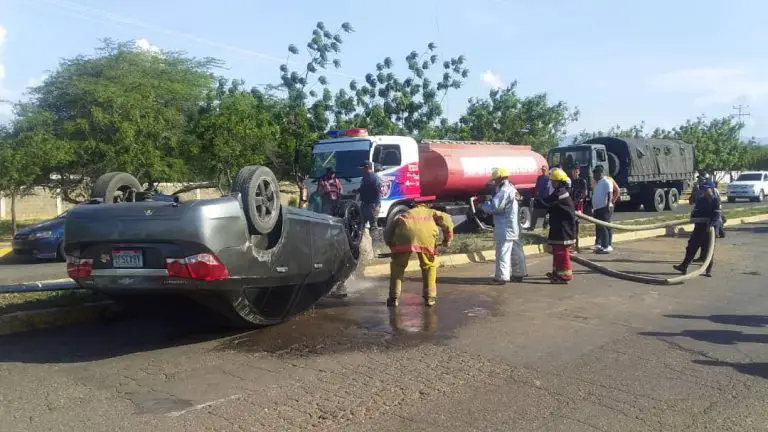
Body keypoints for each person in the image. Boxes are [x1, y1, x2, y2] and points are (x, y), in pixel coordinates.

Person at [383, 203, 454, 307]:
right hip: (426, 238)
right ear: (426, 206)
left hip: (404, 236)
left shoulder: (406, 213)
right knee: (429, 266)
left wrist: (391, 244)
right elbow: (447, 220)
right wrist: (447, 240)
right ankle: (430, 298)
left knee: (398, 266)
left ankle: (394, 298)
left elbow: (389, 229)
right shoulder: (432, 212)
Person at [481, 167, 527, 284]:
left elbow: (495, 208)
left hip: (505, 227)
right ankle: (519, 273)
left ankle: (500, 278)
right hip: (512, 226)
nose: (494, 182)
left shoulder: (504, 191)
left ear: (501, 179)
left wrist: (482, 205)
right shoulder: (511, 188)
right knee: (515, 250)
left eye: (495, 179)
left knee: (502, 252)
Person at [673, 184, 719, 277]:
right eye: (704, 189)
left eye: (707, 189)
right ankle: (684, 266)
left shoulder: (715, 200)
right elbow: (695, 212)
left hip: (710, 229)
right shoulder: (701, 200)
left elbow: (717, 215)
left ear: (711, 190)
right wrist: (694, 218)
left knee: (708, 249)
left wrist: (710, 225)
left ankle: (708, 270)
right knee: (691, 247)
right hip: (699, 228)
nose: (705, 191)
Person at [542, 168, 577, 283]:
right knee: (557, 251)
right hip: (559, 227)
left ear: (559, 182)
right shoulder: (559, 191)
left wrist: (533, 202)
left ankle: (565, 275)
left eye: (554, 181)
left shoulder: (561, 193)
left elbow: (547, 202)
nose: (552, 183)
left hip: (563, 228)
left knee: (562, 252)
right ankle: (557, 273)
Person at [355, 161, 383, 234]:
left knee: (373, 226)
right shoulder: (365, 177)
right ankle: (363, 242)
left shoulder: (374, 177)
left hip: (372, 205)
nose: (361, 170)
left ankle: (374, 243)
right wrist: (358, 190)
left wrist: (376, 205)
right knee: (361, 224)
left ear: (367, 168)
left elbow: (379, 191)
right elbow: (364, 188)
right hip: (364, 204)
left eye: (362, 168)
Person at [591, 165, 614, 254]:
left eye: (595, 174)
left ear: (599, 173)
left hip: (605, 208)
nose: (593, 176)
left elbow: (610, 194)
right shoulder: (598, 182)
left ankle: (607, 246)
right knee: (600, 227)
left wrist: (608, 205)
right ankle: (602, 244)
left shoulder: (606, 181)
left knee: (605, 227)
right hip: (598, 208)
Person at [569, 166, 589, 253]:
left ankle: (576, 246)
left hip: (578, 206)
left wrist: (579, 199)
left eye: (576, 171)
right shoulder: (571, 181)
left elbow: (585, 192)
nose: (574, 173)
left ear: (579, 172)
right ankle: (572, 245)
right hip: (571, 205)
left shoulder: (582, 181)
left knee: (576, 226)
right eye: (573, 171)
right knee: (571, 226)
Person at [528, 165, 551, 231]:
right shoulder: (539, 178)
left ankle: (545, 228)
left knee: (546, 215)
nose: (543, 171)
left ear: (547, 170)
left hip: (546, 199)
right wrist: (535, 195)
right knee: (535, 213)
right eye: (542, 170)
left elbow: (549, 189)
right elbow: (536, 187)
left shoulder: (549, 179)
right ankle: (532, 227)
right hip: (539, 199)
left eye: (544, 170)